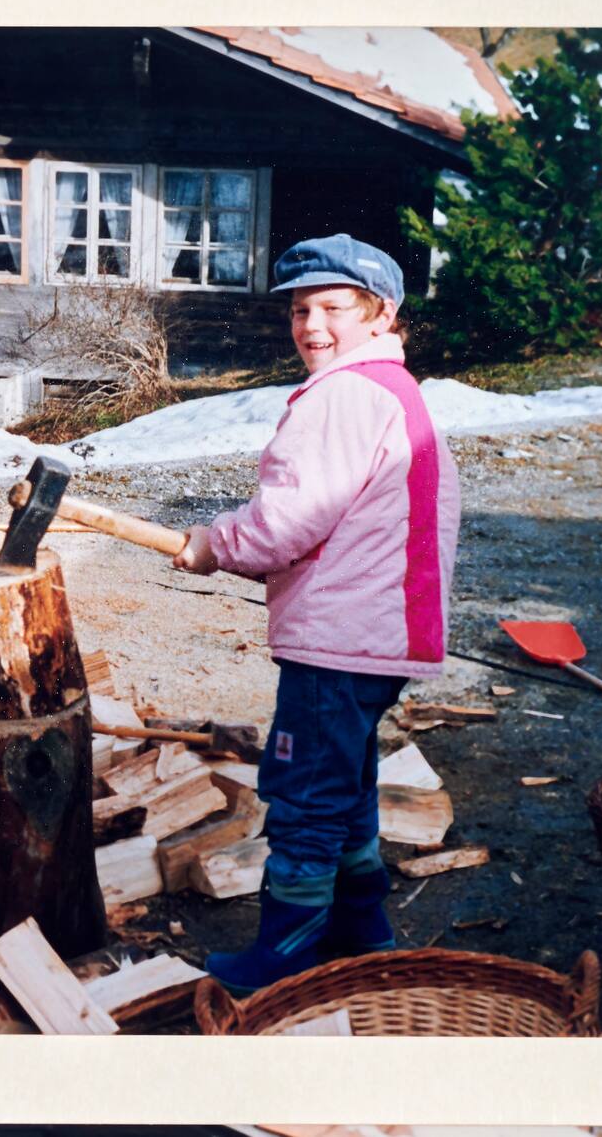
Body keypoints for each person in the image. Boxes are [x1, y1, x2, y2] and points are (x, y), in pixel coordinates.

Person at [172, 233, 462, 994]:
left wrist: (214, 545)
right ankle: (362, 928)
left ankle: (286, 957)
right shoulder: (396, 393)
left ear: (381, 313)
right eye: (301, 309)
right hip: (380, 641)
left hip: (341, 644)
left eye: (335, 307)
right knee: (347, 784)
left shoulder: (344, 397)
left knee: (304, 796)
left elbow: (288, 521)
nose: (312, 326)